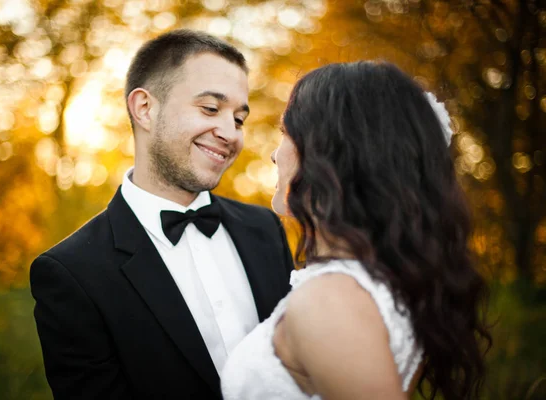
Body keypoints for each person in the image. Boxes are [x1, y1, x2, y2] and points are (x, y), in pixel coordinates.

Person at [30, 29, 294, 400]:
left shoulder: (265, 228)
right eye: (210, 109)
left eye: (238, 119)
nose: (230, 133)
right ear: (145, 109)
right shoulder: (72, 273)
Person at [221, 61, 492, 400]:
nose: (276, 155)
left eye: (286, 134)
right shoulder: (388, 281)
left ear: (328, 154)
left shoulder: (330, 300)